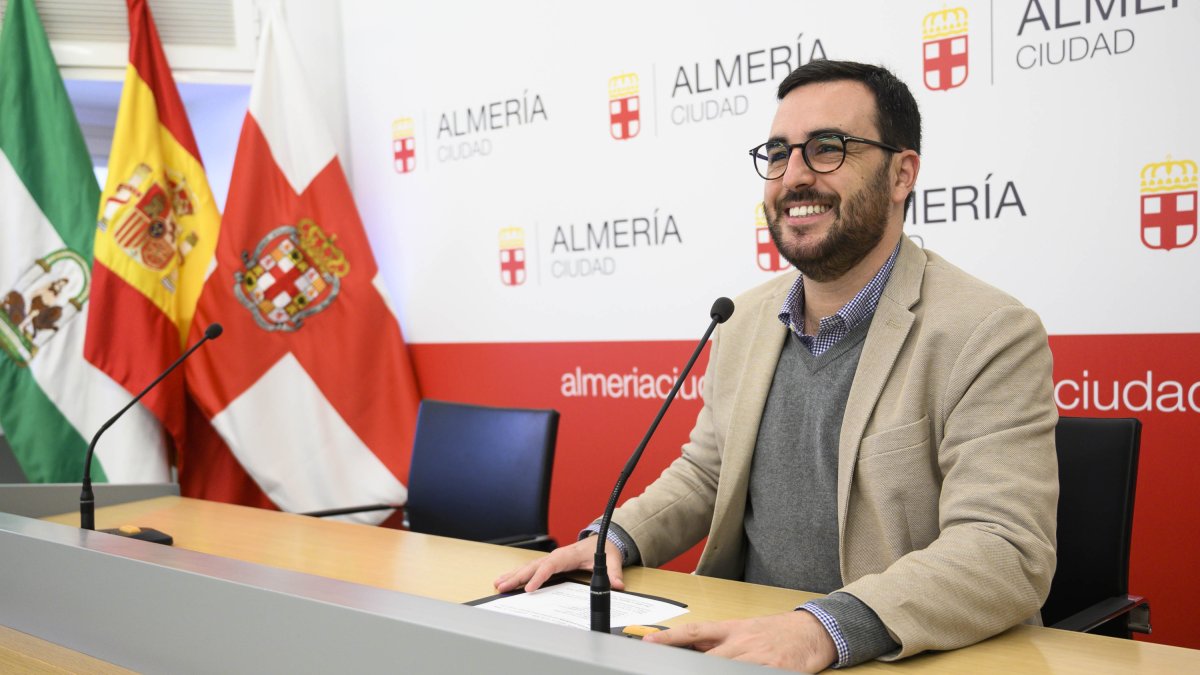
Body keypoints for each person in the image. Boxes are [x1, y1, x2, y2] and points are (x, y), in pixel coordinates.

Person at [495, 60, 1058, 672]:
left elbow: (1004, 549)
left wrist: (820, 629)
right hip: (749, 653)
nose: (794, 176)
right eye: (778, 153)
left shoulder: (989, 331)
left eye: (827, 149)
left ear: (902, 174)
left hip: (887, 655)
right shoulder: (743, 318)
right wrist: (614, 538)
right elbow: (709, 475)